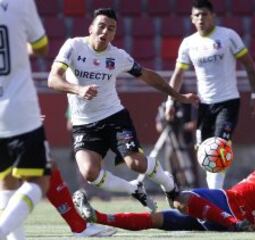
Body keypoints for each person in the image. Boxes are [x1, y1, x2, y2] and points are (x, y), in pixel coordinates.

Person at [47, 8, 199, 212]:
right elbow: (53, 79)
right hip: (83, 124)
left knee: (136, 164)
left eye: (111, 29)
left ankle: (171, 188)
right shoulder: (74, 46)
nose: (105, 32)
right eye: (101, 26)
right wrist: (77, 89)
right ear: (91, 28)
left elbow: (147, 75)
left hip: (113, 117)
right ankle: (133, 189)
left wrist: (177, 96)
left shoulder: (117, 56)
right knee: (89, 173)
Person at [0, 0, 115, 238]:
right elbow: (40, 46)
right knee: (40, 178)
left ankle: (78, 227)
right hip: (17, 108)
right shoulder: (20, 4)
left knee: (9, 182)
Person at [73, 130, 255, 232]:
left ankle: (231, 222)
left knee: (182, 198)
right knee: (156, 220)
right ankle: (98, 217)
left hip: (227, 204)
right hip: (221, 220)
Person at [165, 0, 255, 189]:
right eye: (197, 15)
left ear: (212, 16)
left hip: (228, 102)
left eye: (205, 14)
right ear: (192, 19)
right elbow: (178, 74)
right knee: (204, 150)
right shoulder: (188, 43)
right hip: (203, 105)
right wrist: (170, 102)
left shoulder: (228, 36)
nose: (201, 18)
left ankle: (216, 195)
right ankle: (214, 193)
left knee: (219, 147)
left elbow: (249, 66)